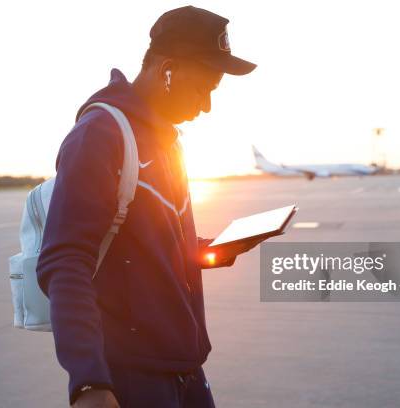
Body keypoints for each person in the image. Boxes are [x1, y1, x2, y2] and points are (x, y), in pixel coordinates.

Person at [36, 5, 256, 408]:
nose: (206, 106)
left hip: (184, 366)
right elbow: (65, 261)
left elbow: (150, 247)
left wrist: (205, 250)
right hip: (132, 375)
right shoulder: (101, 135)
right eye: (203, 88)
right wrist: (88, 382)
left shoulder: (168, 142)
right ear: (168, 70)